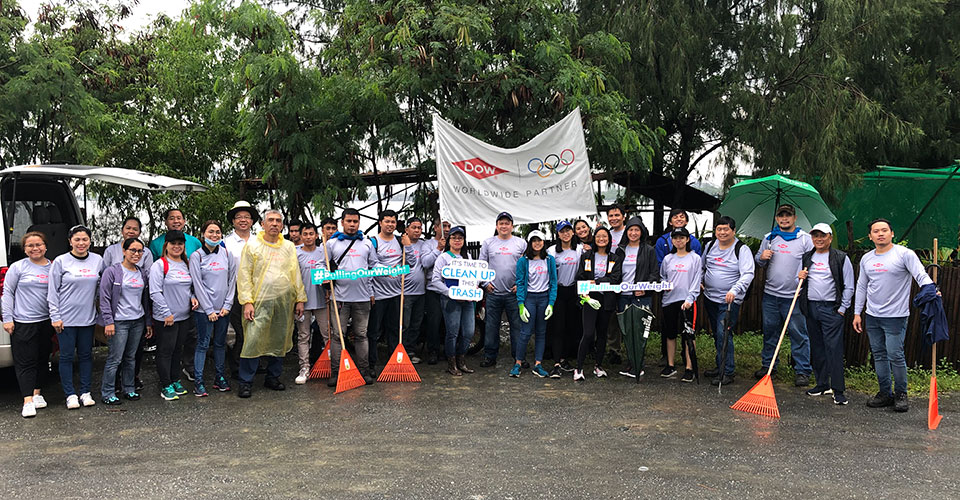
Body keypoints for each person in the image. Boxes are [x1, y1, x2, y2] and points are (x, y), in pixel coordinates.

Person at [853, 219, 933, 412]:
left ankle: (901, 394)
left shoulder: (904, 254)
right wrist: (857, 312)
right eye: (876, 231)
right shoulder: (867, 259)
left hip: (896, 316)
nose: (880, 234)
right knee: (879, 355)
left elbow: (920, 274)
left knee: (895, 355)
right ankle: (885, 393)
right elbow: (862, 285)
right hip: (872, 315)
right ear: (870, 236)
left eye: (884, 230)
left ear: (892, 233)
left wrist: (930, 287)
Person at [236, 210, 307, 398]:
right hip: (259, 302)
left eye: (278, 221)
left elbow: (295, 273)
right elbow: (244, 275)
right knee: (253, 339)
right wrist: (247, 301)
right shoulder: (252, 246)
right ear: (262, 224)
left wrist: (300, 298)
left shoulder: (289, 247)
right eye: (271, 220)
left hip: (283, 301)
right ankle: (246, 381)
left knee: (280, 337)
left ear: (282, 225)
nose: (275, 224)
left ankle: (273, 377)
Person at [755, 204, 814, 386]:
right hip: (771, 295)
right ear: (777, 218)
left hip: (794, 296)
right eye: (781, 215)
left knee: (798, 333)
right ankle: (769, 366)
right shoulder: (769, 238)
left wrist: (806, 273)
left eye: (788, 215)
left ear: (795, 218)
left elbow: (813, 262)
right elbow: (758, 261)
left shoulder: (805, 239)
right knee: (770, 331)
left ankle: (802, 370)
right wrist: (762, 257)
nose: (784, 218)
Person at [48, 225, 104, 409]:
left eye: (85, 239)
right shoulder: (61, 261)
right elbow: (52, 291)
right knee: (66, 357)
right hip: (65, 319)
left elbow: (100, 289)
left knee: (86, 355)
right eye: (77, 239)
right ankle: (70, 394)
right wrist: (55, 316)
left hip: (87, 318)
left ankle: (85, 392)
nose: (81, 243)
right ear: (70, 241)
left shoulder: (97, 260)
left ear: (90, 241)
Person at [798, 223, 854, 405]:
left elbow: (849, 286)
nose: (819, 239)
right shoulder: (807, 257)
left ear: (830, 238)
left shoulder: (840, 258)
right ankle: (822, 384)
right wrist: (799, 277)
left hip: (831, 309)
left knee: (834, 350)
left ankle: (838, 390)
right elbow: (801, 282)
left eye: (823, 236)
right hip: (811, 308)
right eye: (815, 236)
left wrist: (842, 309)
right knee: (817, 347)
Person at [3, 232, 54, 417]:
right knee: (26, 361)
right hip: (23, 321)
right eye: (30, 245)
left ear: (45, 246)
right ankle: (27, 400)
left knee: (42, 357)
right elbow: (7, 292)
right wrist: (7, 318)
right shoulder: (18, 267)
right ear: (24, 249)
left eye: (38, 244)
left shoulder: (53, 267)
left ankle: (37, 392)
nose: (35, 248)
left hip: (46, 320)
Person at [149, 207, 201, 382]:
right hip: (166, 317)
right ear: (166, 245)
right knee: (165, 351)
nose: (177, 247)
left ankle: (175, 379)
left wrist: (193, 297)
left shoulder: (186, 264)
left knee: (178, 349)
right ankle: (165, 384)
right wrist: (166, 313)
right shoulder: (160, 265)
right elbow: (155, 292)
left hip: (184, 316)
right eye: (173, 244)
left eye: (180, 244)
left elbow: (190, 287)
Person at [102, 216, 154, 391]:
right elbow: (104, 298)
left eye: (140, 251)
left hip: (137, 320)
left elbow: (145, 299)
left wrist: (147, 322)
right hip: (119, 321)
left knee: (131, 357)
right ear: (124, 251)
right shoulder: (112, 272)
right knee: (115, 358)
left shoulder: (142, 273)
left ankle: (129, 388)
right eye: (132, 250)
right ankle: (108, 391)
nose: (136, 254)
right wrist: (108, 321)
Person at [325, 208, 377, 386]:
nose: (352, 225)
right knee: (338, 336)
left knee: (361, 335)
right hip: (339, 298)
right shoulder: (331, 244)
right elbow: (321, 264)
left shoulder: (367, 243)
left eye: (355, 221)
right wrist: (325, 275)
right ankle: (336, 371)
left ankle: (363, 370)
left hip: (362, 298)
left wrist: (371, 291)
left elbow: (374, 266)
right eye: (349, 221)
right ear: (342, 222)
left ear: (359, 223)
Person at [701, 216, 755, 386]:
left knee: (723, 333)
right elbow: (702, 267)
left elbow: (748, 274)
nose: (722, 232)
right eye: (719, 229)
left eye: (726, 229)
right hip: (710, 298)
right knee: (717, 334)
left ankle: (728, 371)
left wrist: (734, 290)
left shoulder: (742, 249)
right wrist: (701, 281)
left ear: (734, 231)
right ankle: (720, 366)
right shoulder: (710, 246)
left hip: (729, 300)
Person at [189, 220, 237, 396]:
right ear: (203, 234)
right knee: (202, 344)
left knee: (220, 344)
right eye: (210, 232)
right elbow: (197, 284)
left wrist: (227, 305)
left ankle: (220, 377)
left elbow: (232, 280)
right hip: (204, 311)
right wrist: (208, 309)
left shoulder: (226, 253)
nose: (214, 235)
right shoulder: (197, 256)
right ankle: (199, 382)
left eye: (217, 232)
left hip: (223, 309)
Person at [367, 210, 414, 370]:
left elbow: (411, 263)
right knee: (374, 331)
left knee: (395, 330)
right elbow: (371, 265)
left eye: (393, 222)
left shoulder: (400, 241)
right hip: (378, 295)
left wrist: (408, 246)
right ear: (380, 223)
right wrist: (390, 270)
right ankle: (371, 364)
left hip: (397, 294)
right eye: (387, 221)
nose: (390, 225)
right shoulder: (373, 242)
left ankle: (394, 362)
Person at [478, 212, 527, 367]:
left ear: (512, 226)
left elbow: (527, 267)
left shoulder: (521, 243)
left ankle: (519, 357)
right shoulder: (488, 243)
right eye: (501, 223)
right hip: (493, 292)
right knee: (491, 326)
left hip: (514, 293)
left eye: (507, 223)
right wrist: (485, 284)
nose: (504, 226)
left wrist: (520, 285)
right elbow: (481, 265)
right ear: (497, 226)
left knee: (517, 327)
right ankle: (490, 356)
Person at [574, 227, 622, 381]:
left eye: (605, 236)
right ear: (594, 239)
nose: (601, 239)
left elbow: (615, 278)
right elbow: (580, 276)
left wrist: (598, 281)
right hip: (589, 298)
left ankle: (598, 366)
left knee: (602, 334)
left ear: (609, 239)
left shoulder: (614, 258)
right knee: (588, 333)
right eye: (599, 236)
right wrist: (586, 290)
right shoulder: (587, 256)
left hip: (606, 300)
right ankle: (579, 368)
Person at [614, 216, 659, 378]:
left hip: (641, 296)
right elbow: (615, 272)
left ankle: (639, 365)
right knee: (626, 331)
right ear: (626, 232)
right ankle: (631, 362)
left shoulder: (649, 250)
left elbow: (655, 274)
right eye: (630, 230)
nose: (633, 233)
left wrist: (645, 288)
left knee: (640, 330)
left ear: (642, 232)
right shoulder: (620, 250)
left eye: (636, 230)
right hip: (623, 296)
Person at [659, 227, 703, 382]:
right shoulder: (668, 259)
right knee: (670, 334)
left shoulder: (695, 258)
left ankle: (689, 367)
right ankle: (670, 365)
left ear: (687, 239)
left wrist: (690, 299)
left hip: (687, 302)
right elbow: (662, 277)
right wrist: (665, 284)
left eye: (682, 238)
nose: (679, 240)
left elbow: (697, 280)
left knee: (688, 335)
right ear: (672, 240)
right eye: (676, 238)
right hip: (669, 300)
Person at [431, 226, 476, 376]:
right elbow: (435, 281)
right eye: (454, 238)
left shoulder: (468, 257)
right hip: (451, 300)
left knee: (469, 332)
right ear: (449, 240)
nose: (457, 241)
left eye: (460, 238)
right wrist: (450, 293)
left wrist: (475, 286)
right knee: (452, 332)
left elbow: (474, 277)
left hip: (468, 300)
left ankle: (461, 360)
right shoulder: (443, 258)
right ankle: (452, 364)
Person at [512, 230, 558, 378]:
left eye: (539, 240)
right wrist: (520, 304)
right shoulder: (523, 261)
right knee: (525, 332)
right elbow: (519, 282)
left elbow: (553, 283)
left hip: (544, 298)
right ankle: (518, 363)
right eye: (534, 241)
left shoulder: (549, 260)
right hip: (529, 299)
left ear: (543, 243)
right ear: (530, 243)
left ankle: (538, 364)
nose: (537, 243)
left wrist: (551, 303)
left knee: (541, 333)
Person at [224, 201, 259, 379]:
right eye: (239, 217)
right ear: (233, 221)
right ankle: (237, 367)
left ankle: (254, 363)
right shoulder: (226, 243)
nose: (243, 220)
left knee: (256, 329)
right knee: (238, 331)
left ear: (252, 221)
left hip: (258, 292)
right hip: (235, 292)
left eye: (247, 217)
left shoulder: (259, 241)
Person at [401, 217, 442, 363]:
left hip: (421, 291)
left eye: (419, 228)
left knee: (416, 324)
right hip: (404, 291)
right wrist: (407, 246)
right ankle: (401, 351)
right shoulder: (401, 244)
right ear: (407, 229)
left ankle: (411, 351)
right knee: (404, 324)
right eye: (414, 227)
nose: (417, 230)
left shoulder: (424, 244)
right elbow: (409, 262)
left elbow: (427, 263)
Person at [294, 222, 330, 384]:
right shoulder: (295, 254)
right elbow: (293, 279)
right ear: (301, 237)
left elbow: (331, 273)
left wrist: (329, 290)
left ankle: (330, 365)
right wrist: (297, 300)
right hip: (303, 302)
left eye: (311, 234)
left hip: (323, 301)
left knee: (328, 335)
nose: (308, 237)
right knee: (303, 336)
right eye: (305, 234)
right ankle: (304, 368)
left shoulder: (324, 252)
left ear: (317, 235)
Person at [546, 221, 582, 377]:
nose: (565, 234)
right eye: (562, 231)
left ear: (573, 233)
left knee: (570, 327)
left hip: (574, 290)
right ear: (558, 234)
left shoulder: (579, 249)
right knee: (558, 327)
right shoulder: (552, 251)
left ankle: (565, 357)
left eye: (568, 230)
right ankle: (556, 362)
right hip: (558, 291)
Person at [423, 220, 450, 364]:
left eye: (448, 226)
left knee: (448, 322)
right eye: (443, 226)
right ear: (435, 227)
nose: (446, 229)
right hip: (433, 289)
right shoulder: (427, 244)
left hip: (450, 290)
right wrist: (438, 249)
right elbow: (425, 263)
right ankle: (433, 351)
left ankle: (448, 351)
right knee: (434, 322)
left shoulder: (453, 243)